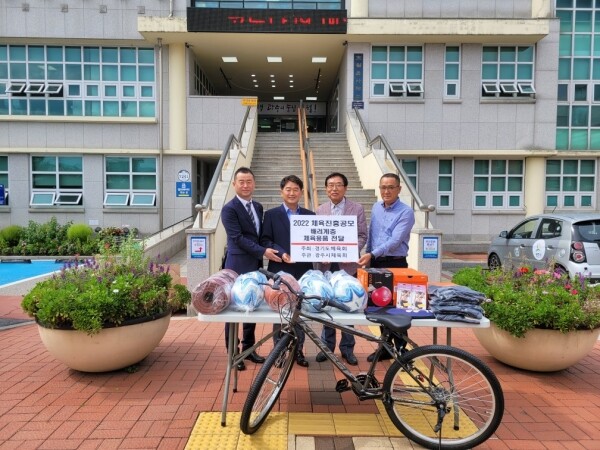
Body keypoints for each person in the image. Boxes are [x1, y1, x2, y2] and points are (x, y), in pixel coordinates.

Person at [221, 167, 282, 371]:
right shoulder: (229, 209)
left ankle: (249, 348)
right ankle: (233, 353)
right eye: (241, 182)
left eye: (249, 181)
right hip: (237, 264)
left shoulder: (257, 206)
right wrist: (263, 251)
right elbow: (237, 238)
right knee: (234, 310)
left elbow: (258, 235)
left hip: (255, 264)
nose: (245, 185)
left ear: (254, 184)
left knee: (252, 303)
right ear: (234, 184)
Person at [357, 173, 415, 362]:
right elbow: (372, 235)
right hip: (375, 262)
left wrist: (372, 254)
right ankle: (384, 348)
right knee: (379, 306)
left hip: (395, 263)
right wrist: (368, 256)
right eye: (383, 187)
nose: (386, 191)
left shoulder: (406, 212)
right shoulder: (376, 207)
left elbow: (395, 241)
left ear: (399, 189)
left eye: (391, 187)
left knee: (397, 309)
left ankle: (402, 350)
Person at [261, 175, 315, 367]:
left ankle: (298, 351)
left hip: (303, 270)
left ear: (301, 192)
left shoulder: (310, 215)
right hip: (280, 268)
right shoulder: (271, 215)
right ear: (281, 191)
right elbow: (265, 240)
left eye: (296, 189)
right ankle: (279, 352)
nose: (292, 193)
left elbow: (315, 240)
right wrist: (282, 253)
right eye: (288, 189)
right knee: (280, 311)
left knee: (299, 312)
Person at [314, 172, 367, 366]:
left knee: (348, 306)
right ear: (325, 188)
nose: (334, 188)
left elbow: (362, 236)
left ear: (345, 188)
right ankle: (326, 347)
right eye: (330, 185)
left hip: (347, 266)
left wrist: (350, 251)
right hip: (326, 266)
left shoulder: (357, 208)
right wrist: (320, 252)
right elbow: (316, 237)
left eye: (338, 185)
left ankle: (347, 348)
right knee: (328, 306)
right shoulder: (320, 210)